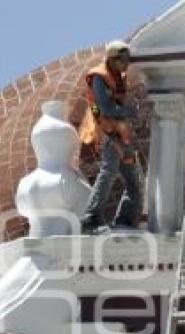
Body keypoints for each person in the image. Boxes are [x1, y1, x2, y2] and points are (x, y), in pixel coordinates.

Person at [78, 39, 142, 234]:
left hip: (122, 133)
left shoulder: (118, 77)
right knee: (109, 171)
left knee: (133, 175)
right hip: (108, 132)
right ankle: (91, 216)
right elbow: (103, 107)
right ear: (113, 59)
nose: (127, 63)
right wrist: (128, 111)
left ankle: (126, 217)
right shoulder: (99, 77)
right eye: (123, 59)